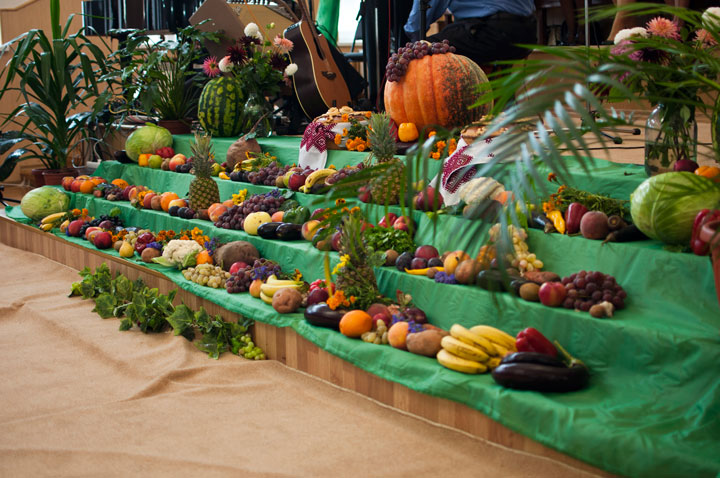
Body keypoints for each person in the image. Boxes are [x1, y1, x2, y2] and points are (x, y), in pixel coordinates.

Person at [403, 0, 537, 66]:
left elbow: (418, 22)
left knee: (421, 54)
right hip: (528, 30)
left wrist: (410, 37)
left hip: (494, 30)